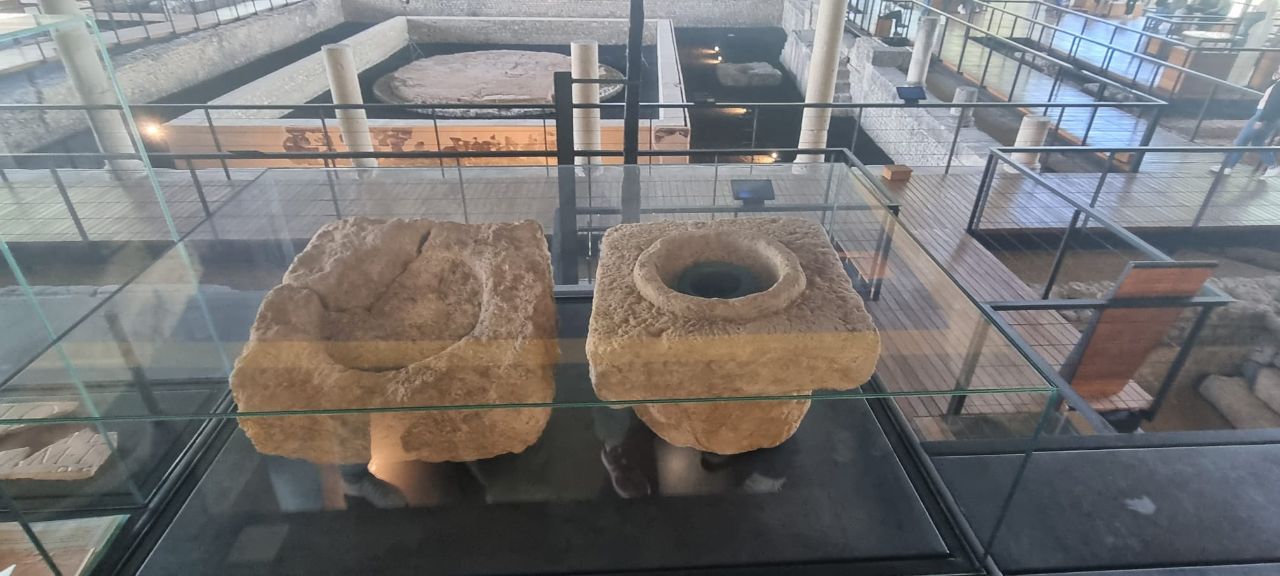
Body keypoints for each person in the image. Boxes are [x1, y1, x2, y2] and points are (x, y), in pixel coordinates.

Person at [1213, 65, 1280, 178]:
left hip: (1263, 115)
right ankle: (1272, 166)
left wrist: (1261, 119)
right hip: (1271, 117)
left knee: (1241, 140)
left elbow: (1272, 104)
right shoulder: (1277, 83)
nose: (1278, 68)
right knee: (1257, 142)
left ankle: (1227, 166)